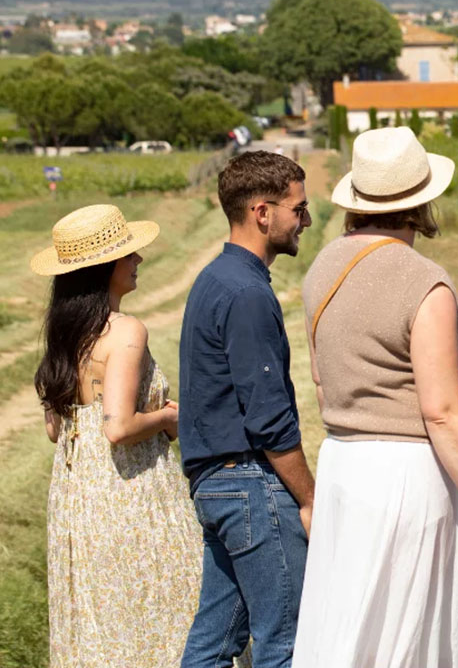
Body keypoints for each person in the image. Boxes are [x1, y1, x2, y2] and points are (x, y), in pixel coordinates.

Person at [293, 127, 458, 667]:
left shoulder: (322, 267)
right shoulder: (423, 282)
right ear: (422, 201)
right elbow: (442, 410)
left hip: (342, 464)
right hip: (407, 474)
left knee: (352, 627)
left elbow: (319, 376)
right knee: (412, 631)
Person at [31, 204, 201, 667]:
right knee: (162, 608)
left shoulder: (64, 337)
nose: (138, 261)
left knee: (100, 618)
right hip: (129, 492)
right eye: (129, 255)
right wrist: (166, 419)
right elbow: (119, 426)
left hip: (77, 499)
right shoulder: (125, 331)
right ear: (106, 267)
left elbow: (55, 429)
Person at [178, 151, 314, 668]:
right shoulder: (246, 293)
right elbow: (267, 416)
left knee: (212, 647)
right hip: (250, 484)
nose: (304, 219)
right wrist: (308, 498)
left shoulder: (215, 278)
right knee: (286, 644)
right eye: (298, 209)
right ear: (262, 212)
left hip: (216, 484)